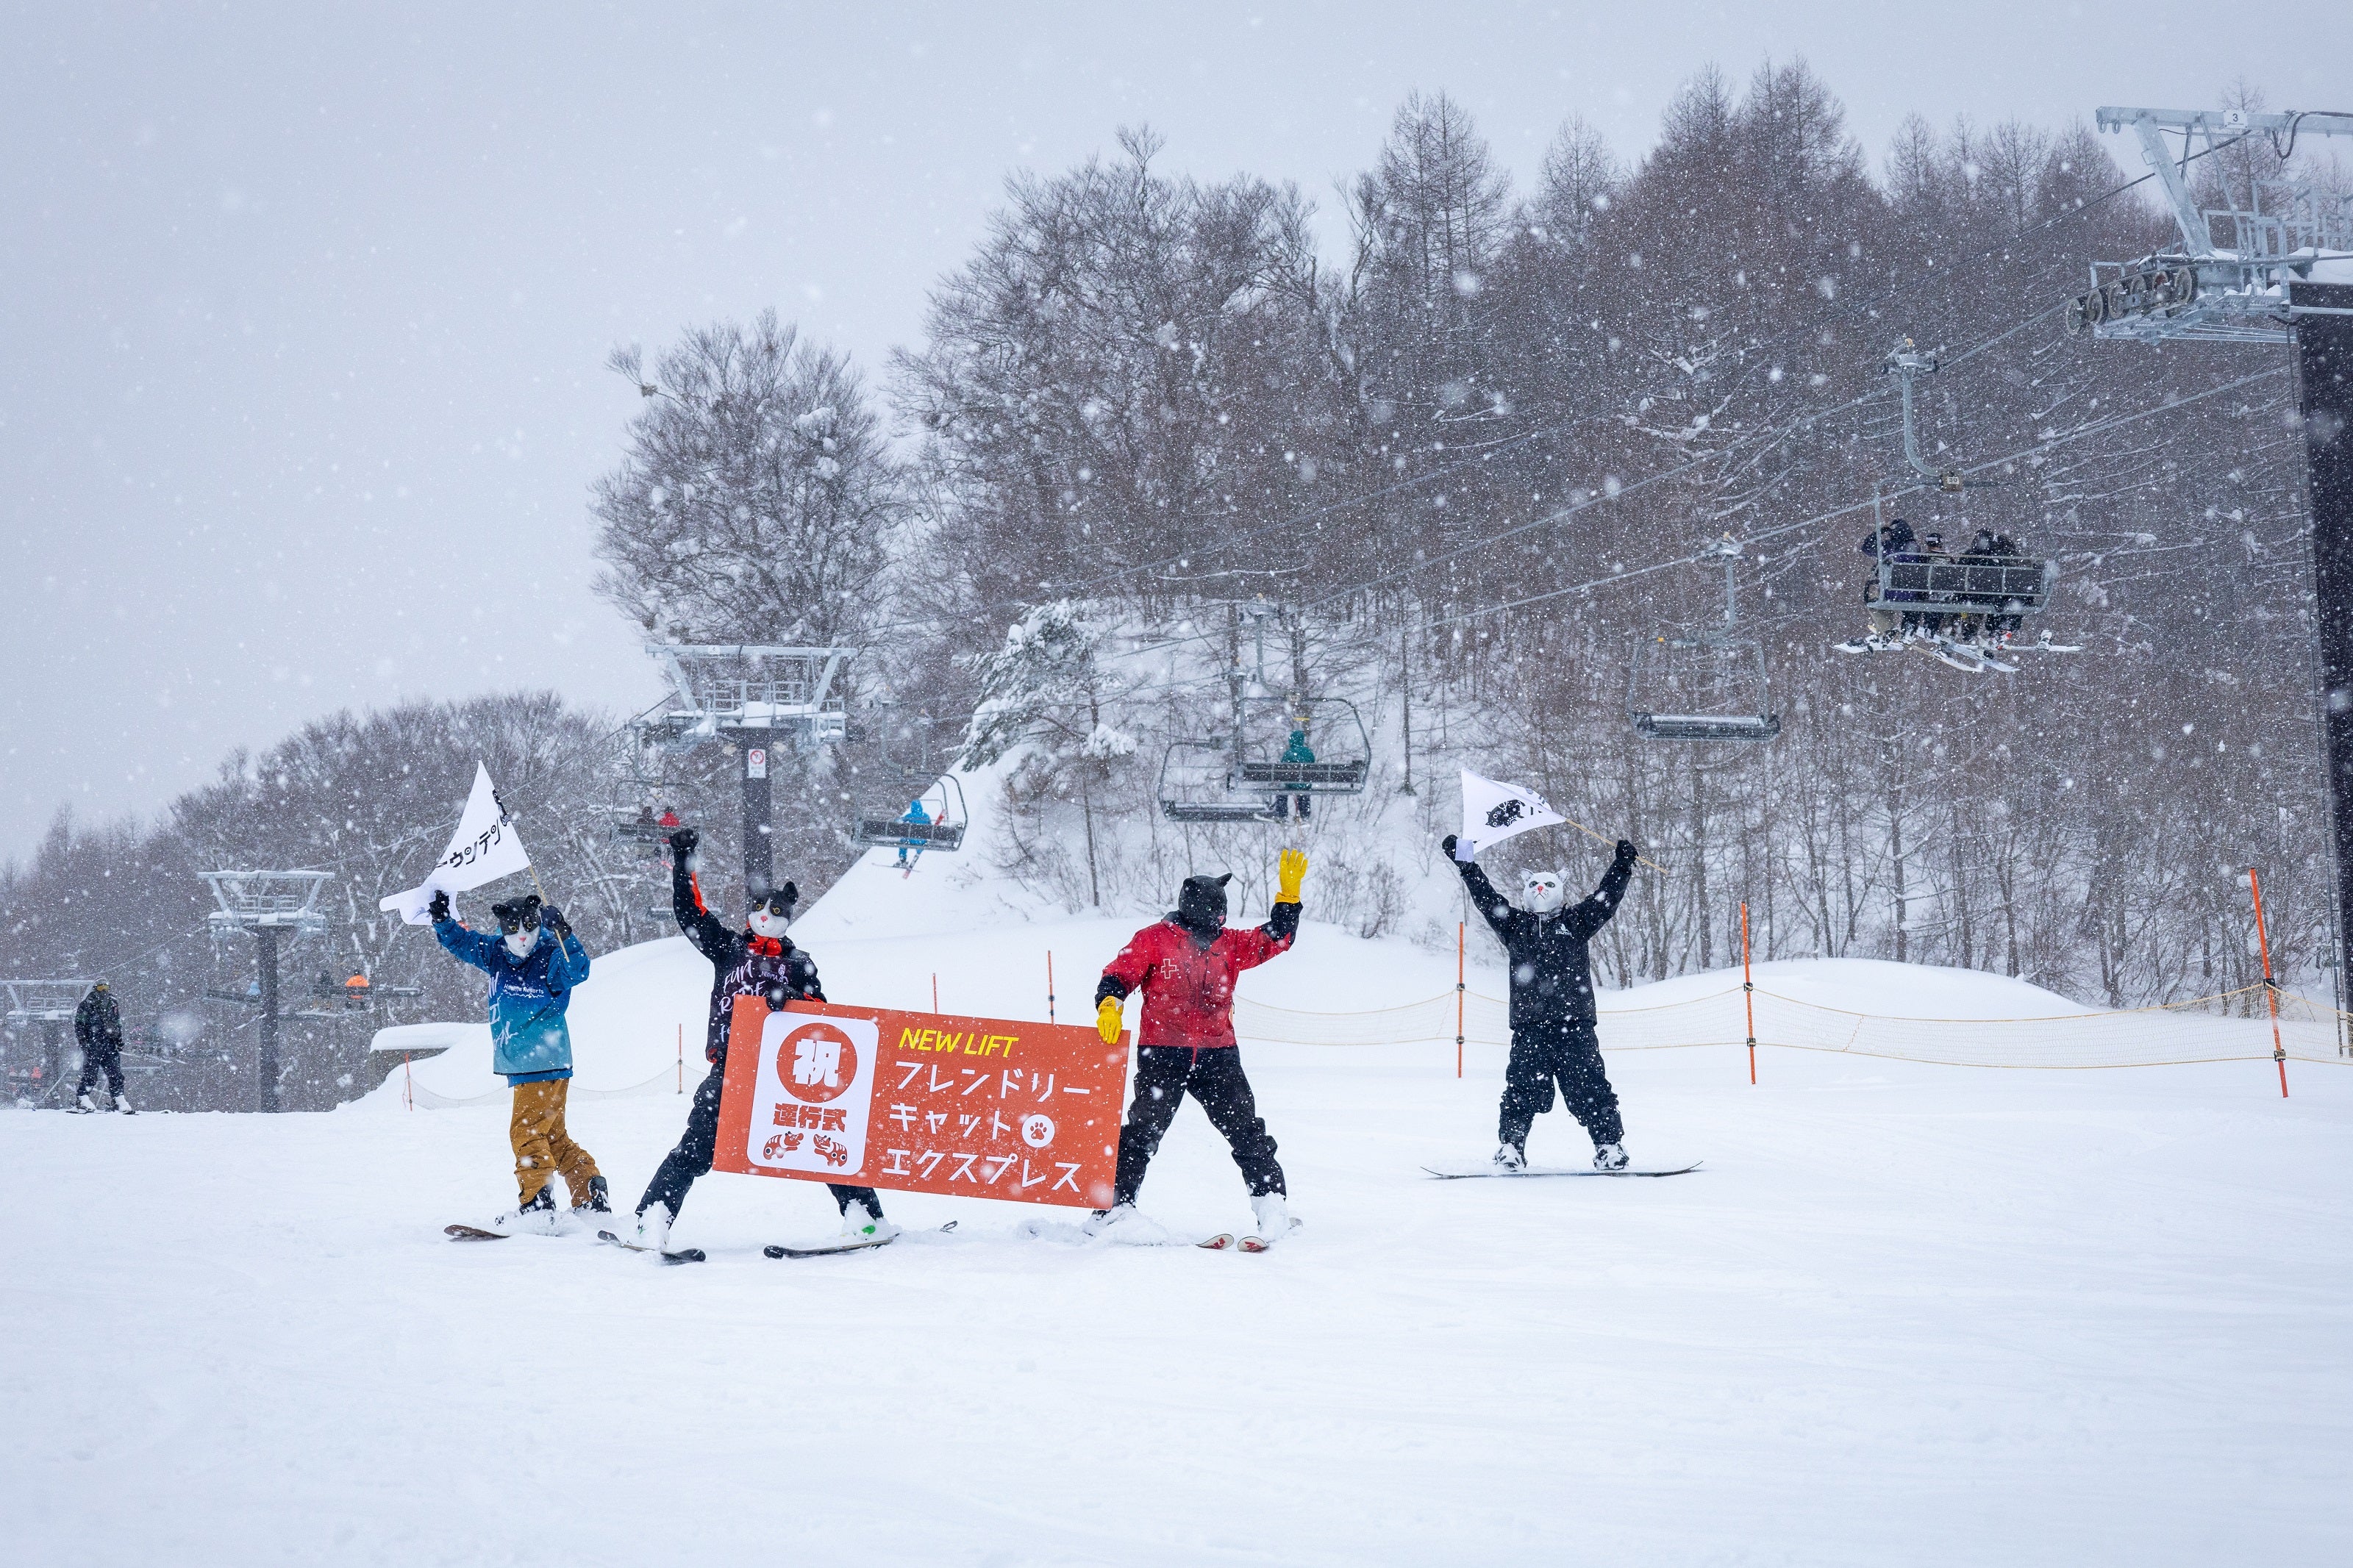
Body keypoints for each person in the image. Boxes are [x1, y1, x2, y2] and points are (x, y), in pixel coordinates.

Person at [634, 826, 892, 1252]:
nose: (766, 916)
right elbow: (690, 914)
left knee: (819, 1139)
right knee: (699, 1143)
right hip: (732, 1066)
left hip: (787, 1074)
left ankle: (865, 1218)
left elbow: (823, 1019)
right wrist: (683, 862)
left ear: (788, 917)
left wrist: (791, 1000)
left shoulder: (799, 963)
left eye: (776, 911)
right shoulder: (728, 949)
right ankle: (651, 1218)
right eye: (759, 909)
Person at [1090, 850, 1308, 1239]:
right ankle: (1114, 1209)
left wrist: (1288, 900)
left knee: (1247, 1131)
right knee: (1142, 1132)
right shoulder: (1153, 941)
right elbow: (1119, 974)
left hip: (1218, 1054)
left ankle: (1271, 1205)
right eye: (1216, 912)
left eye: (1223, 913)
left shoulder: (1229, 944)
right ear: (1196, 909)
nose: (1221, 920)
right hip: (1163, 1054)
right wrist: (1110, 1004)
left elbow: (1275, 939)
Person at [1445, 834, 1638, 1172]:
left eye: (1548, 884)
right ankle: (1511, 1147)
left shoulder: (1576, 922)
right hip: (1530, 1026)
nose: (1540, 890)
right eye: (1534, 884)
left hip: (1575, 1024)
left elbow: (1605, 901)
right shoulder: (1515, 925)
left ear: (1561, 887)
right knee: (1521, 1088)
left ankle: (1609, 1146)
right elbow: (1485, 898)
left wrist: (1621, 866)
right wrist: (1466, 863)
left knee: (1590, 1087)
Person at [432, 890, 606, 1233]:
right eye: (513, 929)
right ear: (502, 928)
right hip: (530, 1064)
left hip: (541, 1060)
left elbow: (579, 970)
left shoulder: (550, 957)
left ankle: (538, 1203)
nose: (522, 936)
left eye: (530, 927)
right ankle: (591, 1194)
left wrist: (564, 934)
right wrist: (442, 921)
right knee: (553, 1136)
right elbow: (464, 944)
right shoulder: (496, 953)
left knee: (525, 1132)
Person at [73, 980, 130, 1114]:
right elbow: (79, 1024)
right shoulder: (87, 1004)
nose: (104, 990)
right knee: (90, 1073)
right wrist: (83, 1040)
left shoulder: (113, 1003)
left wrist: (119, 1039)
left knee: (116, 1073)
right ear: (95, 989)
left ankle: (118, 1099)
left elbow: (117, 1022)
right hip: (93, 1043)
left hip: (110, 1043)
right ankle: (83, 1097)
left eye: (106, 987)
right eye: (100, 987)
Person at [896, 797, 931, 868]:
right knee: (921, 840)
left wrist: (897, 820)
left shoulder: (910, 816)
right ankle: (918, 852)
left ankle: (903, 858)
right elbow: (930, 827)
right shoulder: (926, 816)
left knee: (903, 841)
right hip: (922, 840)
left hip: (911, 839)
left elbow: (899, 821)